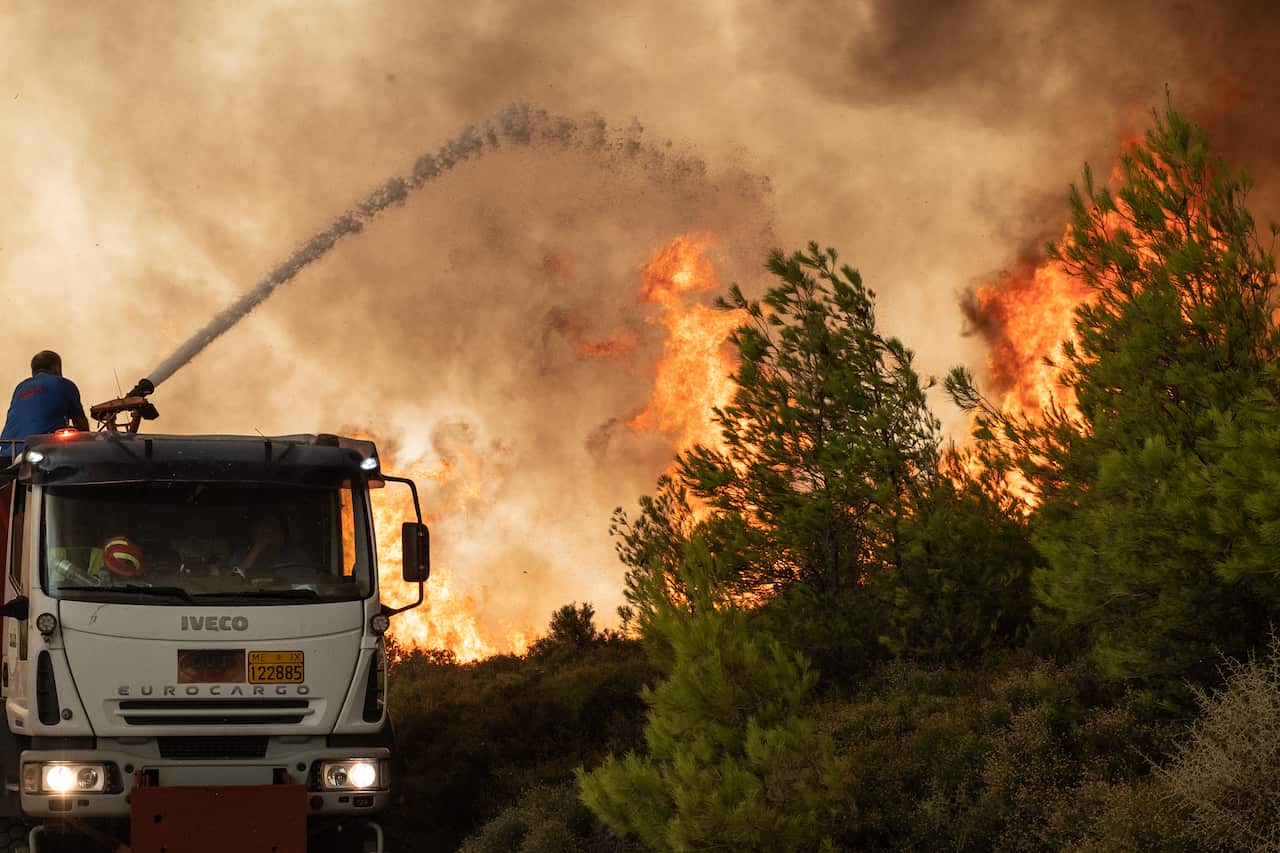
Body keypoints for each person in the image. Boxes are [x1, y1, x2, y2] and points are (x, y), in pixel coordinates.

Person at [0, 351, 89, 445]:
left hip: (9, 450)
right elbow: (81, 426)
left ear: (33, 371)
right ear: (57, 368)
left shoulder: (20, 387)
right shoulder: (64, 384)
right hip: (42, 449)